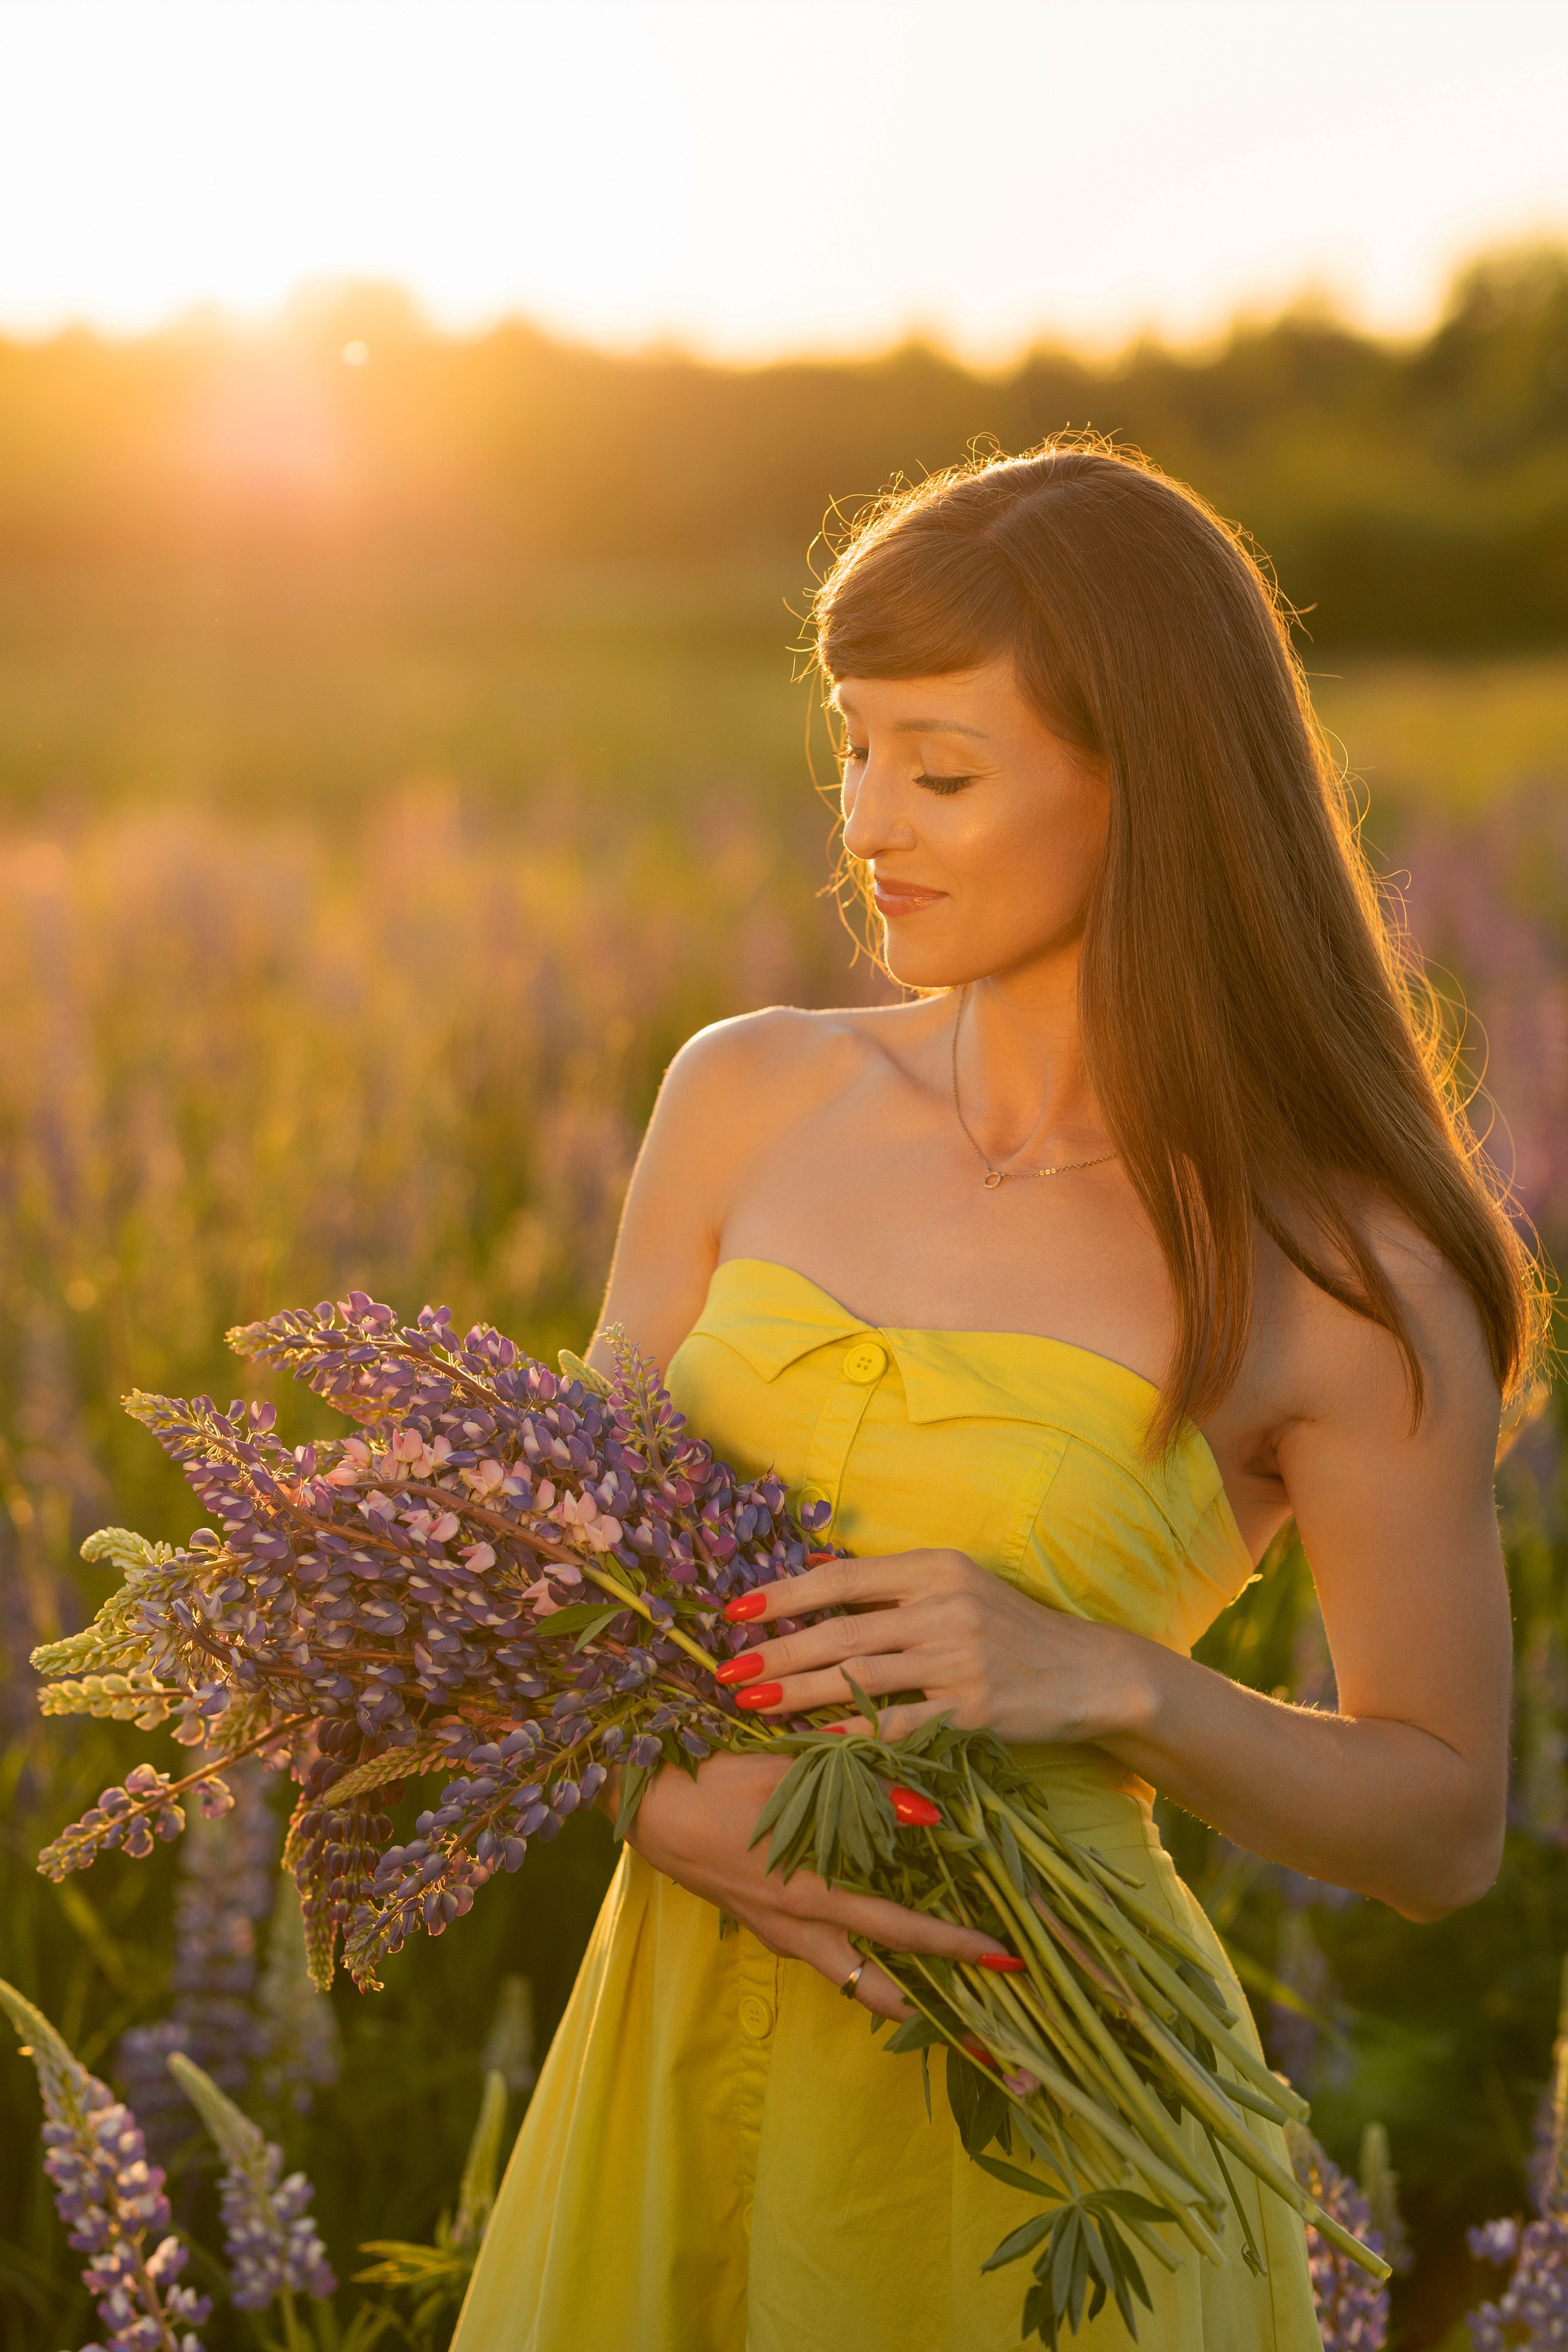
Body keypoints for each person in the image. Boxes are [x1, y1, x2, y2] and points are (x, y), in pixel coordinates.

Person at [451, 443, 1542, 2351]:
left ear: (1154, 789)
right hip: (667, 2075)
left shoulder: (1350, 1273)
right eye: (855, 745)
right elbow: (564, 1576)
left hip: (1066, 2146)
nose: (872, 818)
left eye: (944, 768)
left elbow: (1447, 1824)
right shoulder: (747, 1093)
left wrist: (1112, 1681)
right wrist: (658, 1801)